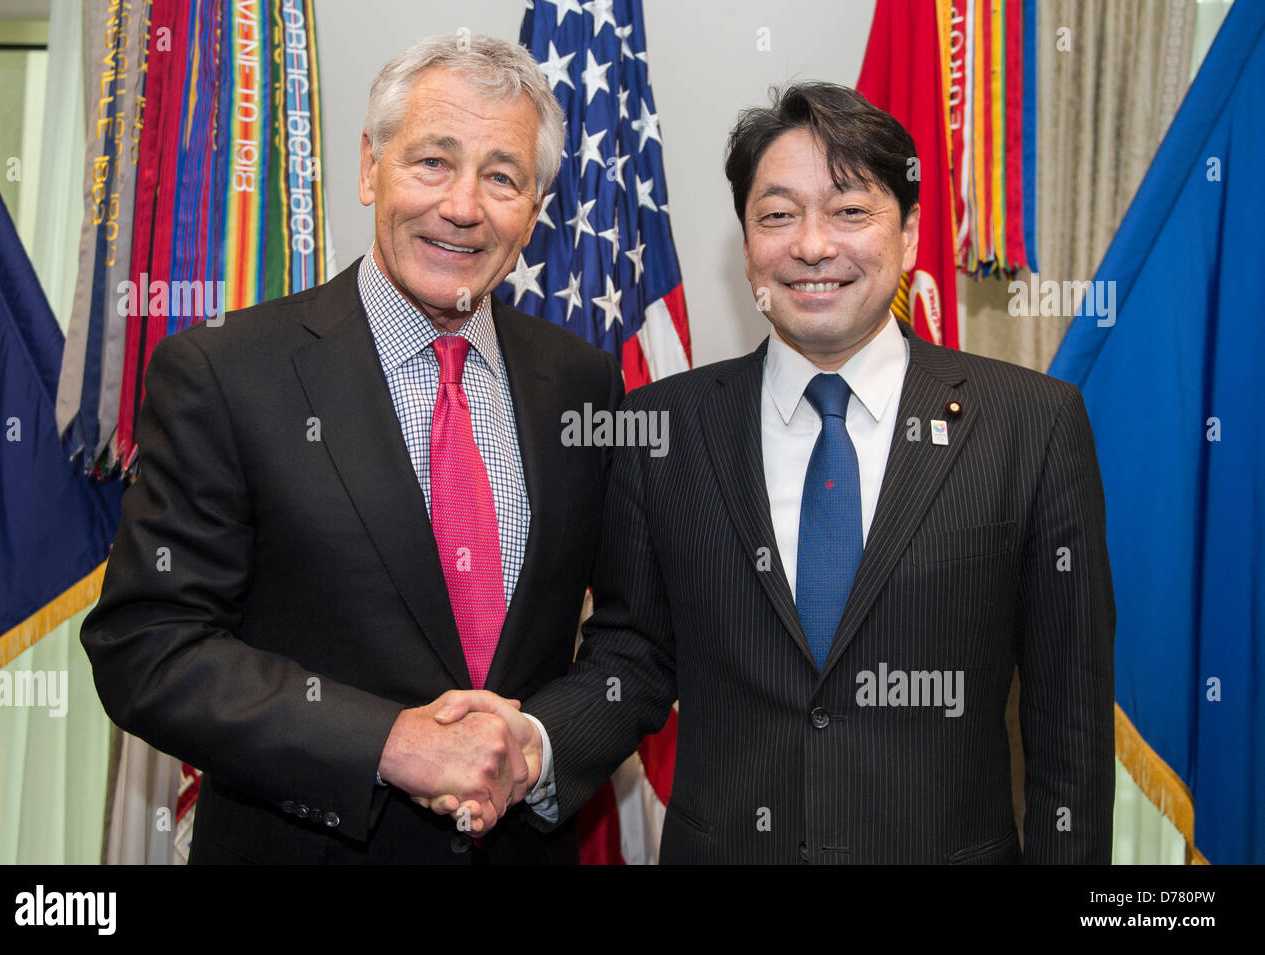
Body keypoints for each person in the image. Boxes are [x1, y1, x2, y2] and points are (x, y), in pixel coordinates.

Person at [438, 82, 1116, 864]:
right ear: (748, 242)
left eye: (851, 211)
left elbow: (1072, 727)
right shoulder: (661, 429)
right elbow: (633, 656)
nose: (813, 245)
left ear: (911, 235)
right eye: (778, 215)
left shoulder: (1031, 424)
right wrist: (533, 741)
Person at [81, 34, 621, 864]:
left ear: (537, 208)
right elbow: (148, 644)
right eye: (433, 161)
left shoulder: (583, 384)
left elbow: (626, 635)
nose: (464, 205)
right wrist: (387, 741)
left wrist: (540, 745)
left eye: (502, 176)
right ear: (371, 168)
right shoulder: (224, 372)